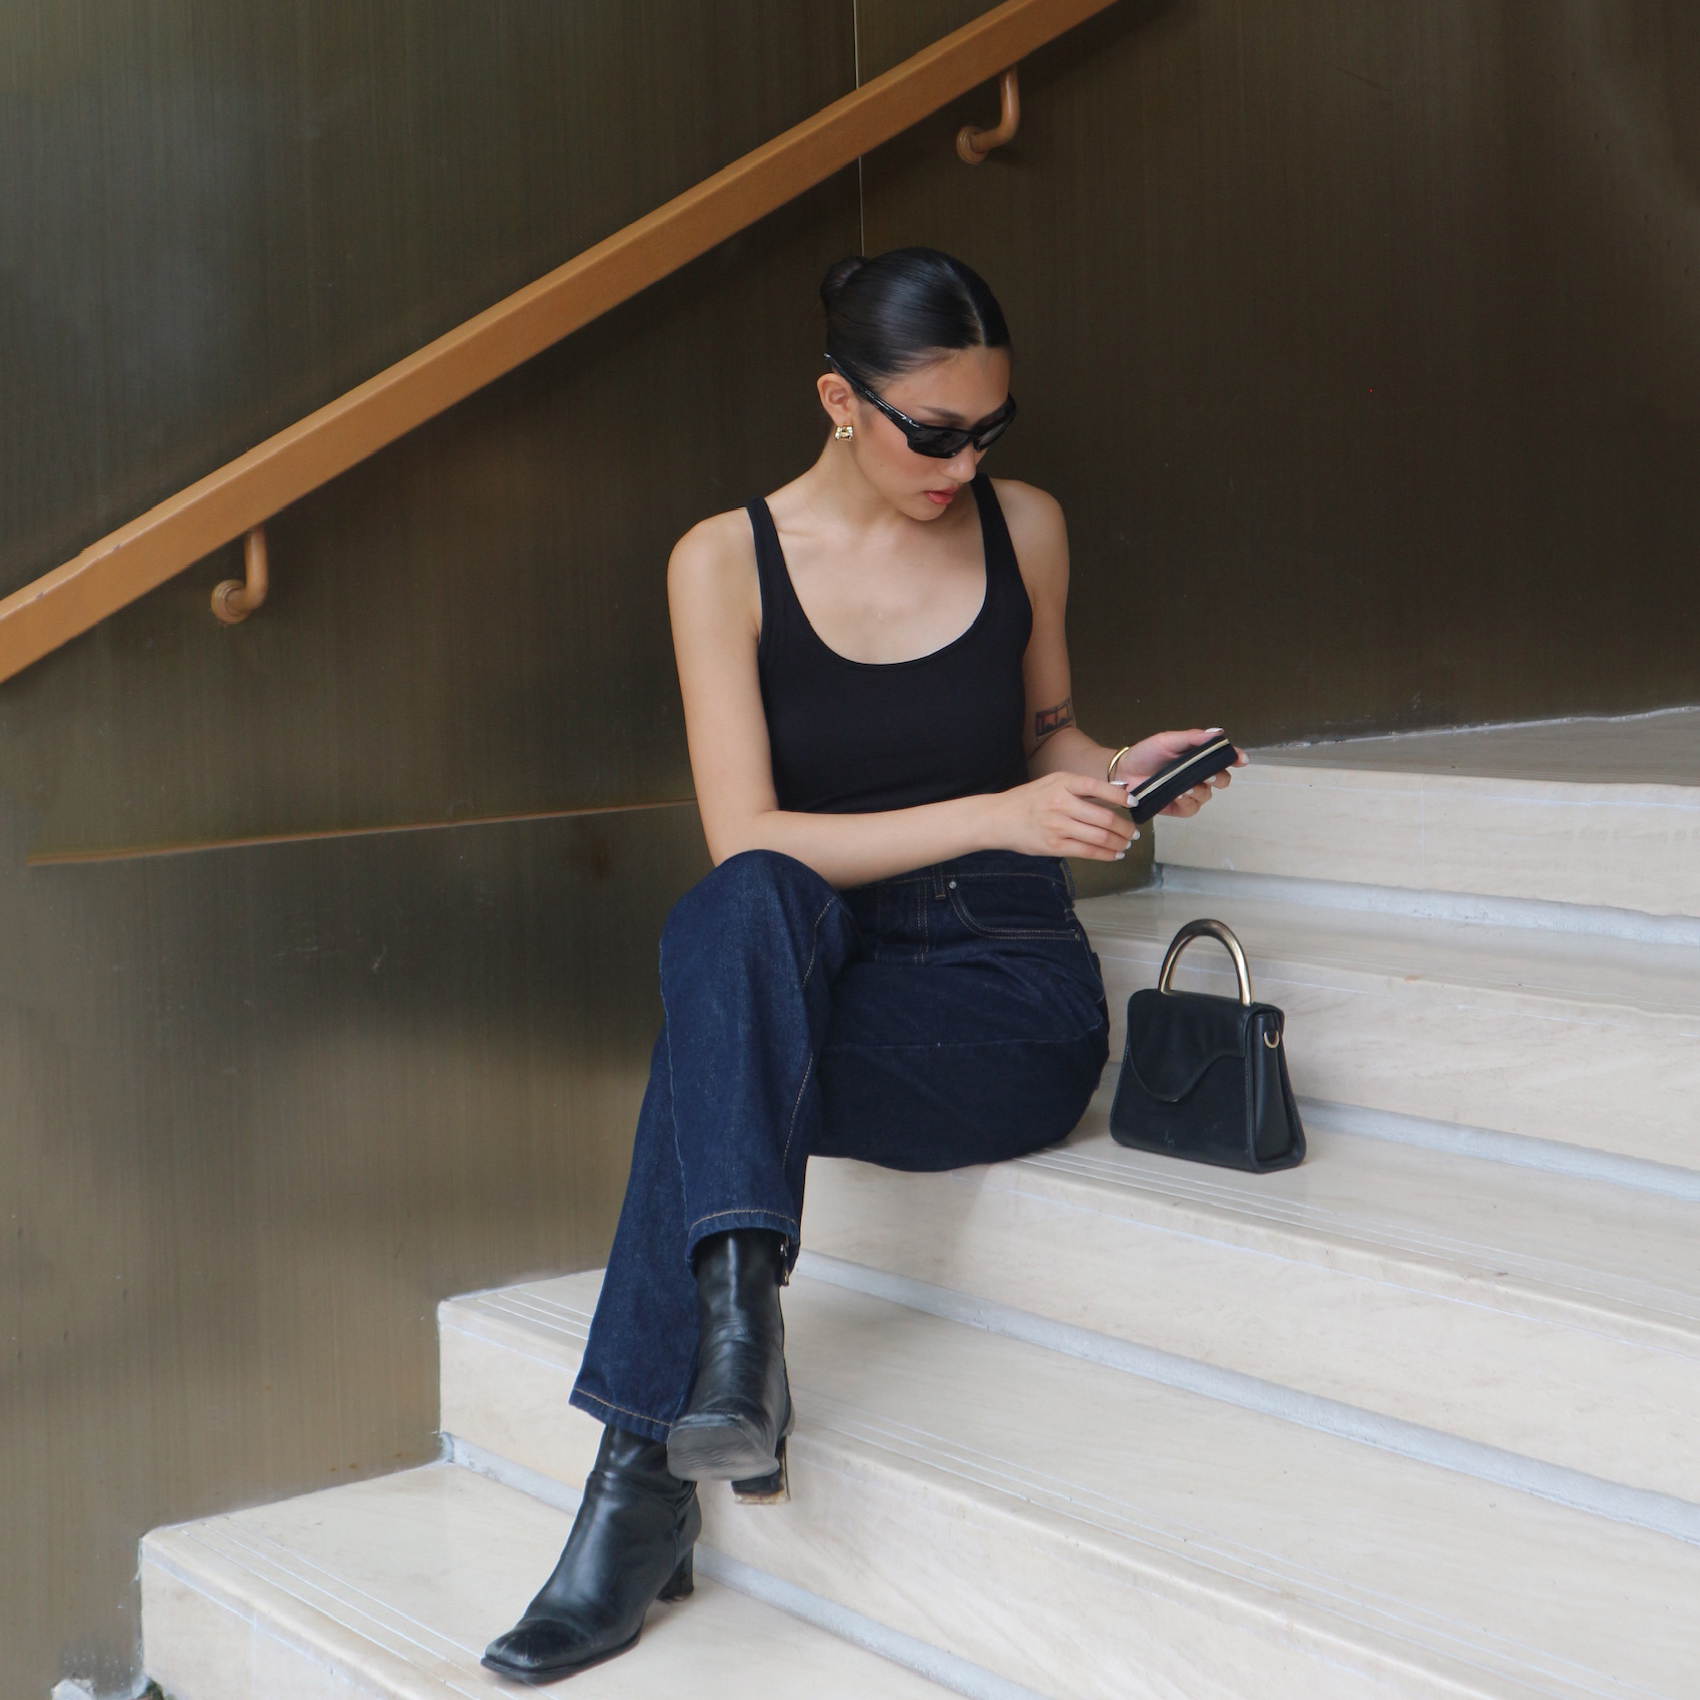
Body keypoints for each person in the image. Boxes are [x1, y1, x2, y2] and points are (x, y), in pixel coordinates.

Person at [483, 247, 1239, 1683]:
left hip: (1001, 993)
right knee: (741, 902)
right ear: (839, 400)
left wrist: (1113, 770)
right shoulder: (722, 562)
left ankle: (660, 1460)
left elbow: (1046, 738)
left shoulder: (1026, 526)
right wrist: (999, 811)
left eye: (990, 431)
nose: (965, 466)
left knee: (710, 1051)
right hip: (813, 952)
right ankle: (718, 1365)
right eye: (933, 433)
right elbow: (748, 835)